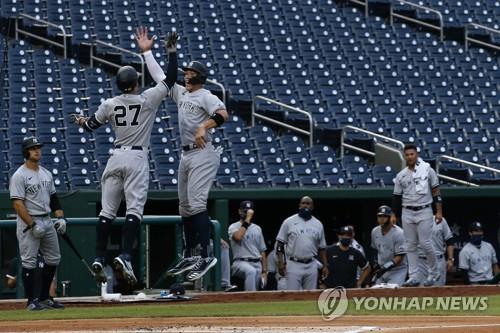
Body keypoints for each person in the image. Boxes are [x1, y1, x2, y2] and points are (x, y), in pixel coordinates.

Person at [136, 27, 228, 281]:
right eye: (185, 72)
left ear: (200, 76)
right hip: (186, 155)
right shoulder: (181, 92)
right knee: (185, 207)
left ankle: (205, 254)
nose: (186, 75)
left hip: (203, 153)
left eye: (190, 72)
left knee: (197, 204)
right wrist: (148, 53)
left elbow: (222, 115)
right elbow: (159, 77)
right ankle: (191, 252)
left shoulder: (206, 95)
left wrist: (203, 126)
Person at [71, 60, 170, 287]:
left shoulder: (109, 103)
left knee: (107, 212)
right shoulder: (148, 98)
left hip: (115, 157)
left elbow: (90, 126)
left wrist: (81, 121)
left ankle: (98, 257)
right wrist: (171, 53)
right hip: (136, 157)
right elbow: (169, 78)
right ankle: (125, 256)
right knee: (134, 209)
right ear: (136, 83)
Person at [9, 137, 67, 310]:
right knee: (29, 261)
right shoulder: (19, 175)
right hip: (29, 221)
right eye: (33, 148)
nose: (37, 150)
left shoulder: (46, 173)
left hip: (47, 219)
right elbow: (18, 204)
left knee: (53, 258)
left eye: (38, 148)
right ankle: (31, 301)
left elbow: (54, 199)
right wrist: (33, 225)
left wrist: (60, 218)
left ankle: (44, 298)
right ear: (26, 152)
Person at [391, 144, 442, 287]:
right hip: (407, 210)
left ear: (416, 154)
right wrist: (394, 214)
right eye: (407, 155)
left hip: (424, 209)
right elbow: (396, 197)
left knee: (425, 243)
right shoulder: (401, 175)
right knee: (410, 245)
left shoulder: (427, 170)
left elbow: (436, 192)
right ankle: (414, 276)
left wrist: (439, 211)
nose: (409, 157)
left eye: (412, 154)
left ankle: (434, 272)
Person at [276, 196, 328, 290]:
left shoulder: (318, 224)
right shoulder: (289, 221)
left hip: (311, 263)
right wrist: (280, 262)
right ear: (299, 205)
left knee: (310, 295)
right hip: (293, 263)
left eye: (308, 204)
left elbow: (322, 247)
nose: (305, 205)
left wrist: (325, 265)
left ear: (312, 207)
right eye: (303, 203)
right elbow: (280, 244)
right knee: (292, 294)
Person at [228, 201, 267, 291]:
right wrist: (248, 219)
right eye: (244, 211)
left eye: (248, 211)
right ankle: (250, 298)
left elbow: (262, 251)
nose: (246, 213)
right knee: (251, 271)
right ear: (239, 211)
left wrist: (264, 271)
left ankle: (254, 301)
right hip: (240, 262)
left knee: (257, 286)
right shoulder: (233, 226)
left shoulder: (257, 228)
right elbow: (238, 237)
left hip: (257, 262)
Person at [370, 205, 408, 286]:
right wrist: (376, 264)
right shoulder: (374, 231)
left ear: (390, 217)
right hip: (382, 269)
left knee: (393, 293)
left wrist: (385, 267)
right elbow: (375, 250)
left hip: (397, 270)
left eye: (385, 216)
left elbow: (400, 256)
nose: (382, 218)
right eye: (380, 216)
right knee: (377, 293)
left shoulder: (399, 233)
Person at [416, 215, 455, 286]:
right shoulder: (413, 222)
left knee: (438, 292)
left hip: (438, 260)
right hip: (421, 262)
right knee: (420, 292)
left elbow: (449, 240)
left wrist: (450, 259)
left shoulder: (440, 220)